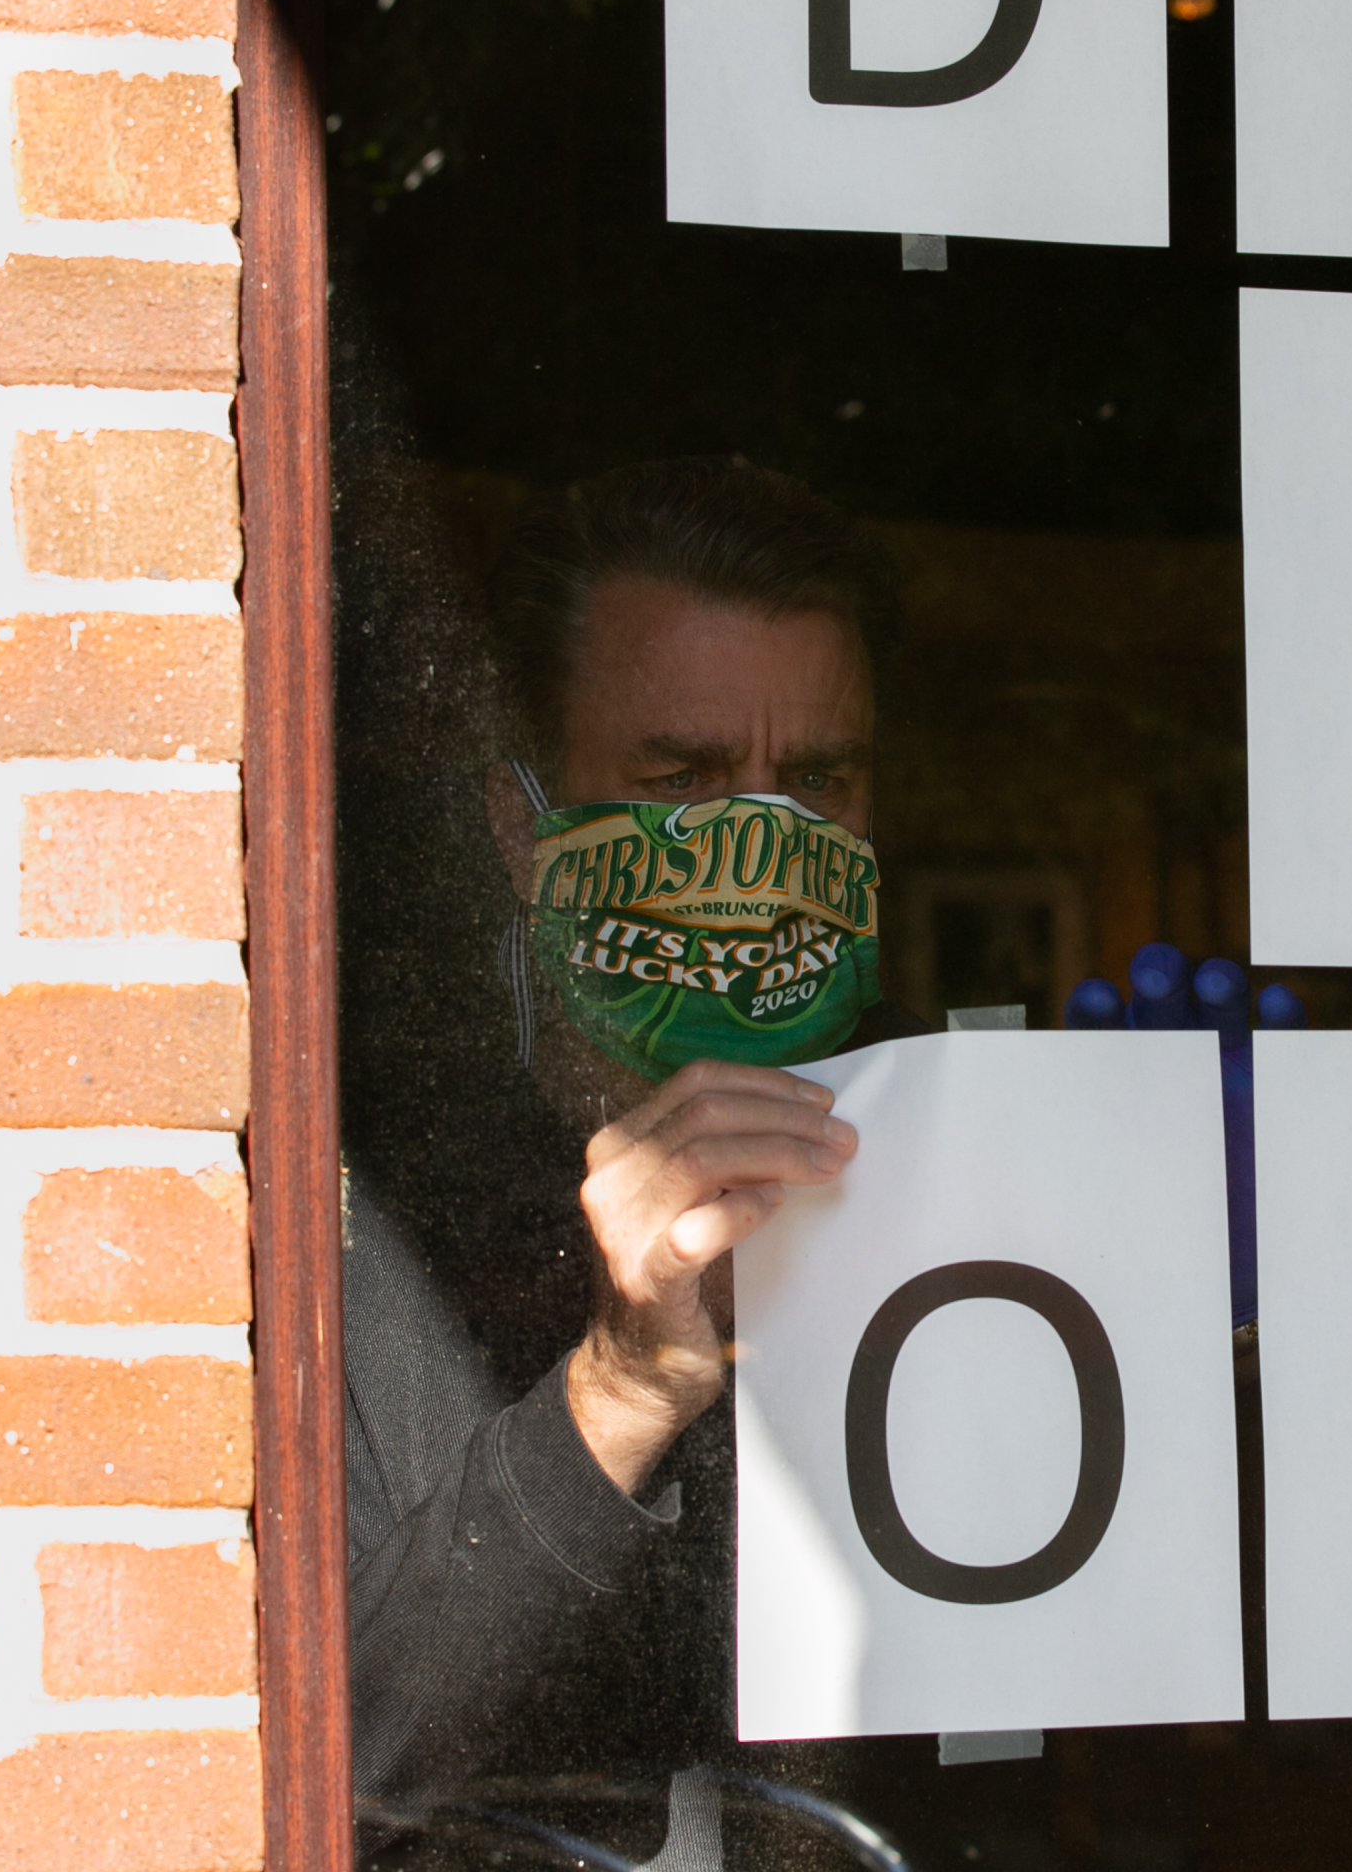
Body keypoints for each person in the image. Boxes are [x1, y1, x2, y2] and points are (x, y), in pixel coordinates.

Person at [345, 455, 914, 1800]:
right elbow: (349, 1755)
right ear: (520, 826)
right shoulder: (378, 1218)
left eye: (817, 778)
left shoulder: (935, 1133)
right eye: (685, 776)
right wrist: (617, 1392)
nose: (763, 843)